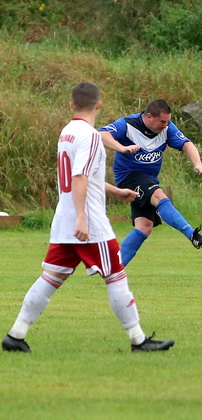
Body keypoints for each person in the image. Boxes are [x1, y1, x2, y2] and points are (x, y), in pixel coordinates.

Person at [2, 82, 174, 353]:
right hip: (89, 223)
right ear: (99, 105)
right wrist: (82, 218)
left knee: (50, 278)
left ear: (72, 105)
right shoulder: (91, 136)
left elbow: (82, 176)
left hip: (64, 220)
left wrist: (115, 191)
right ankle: (139, 340)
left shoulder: (67, 132)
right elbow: (80, 177)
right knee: (116, 276)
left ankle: (16, 334)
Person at [99, 99, 202, 267]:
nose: (166, 125)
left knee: (144, 226)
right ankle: (192, 235)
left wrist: (198, 163)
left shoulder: (167, 128)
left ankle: (114, 269)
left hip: (149, 179)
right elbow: (101, 135)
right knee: (159, 196)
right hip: (129, 177)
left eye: (167, 121)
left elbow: (186, 144)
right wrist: (121, 148)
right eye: (162, 122)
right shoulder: (128, 124)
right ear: (149, 116)